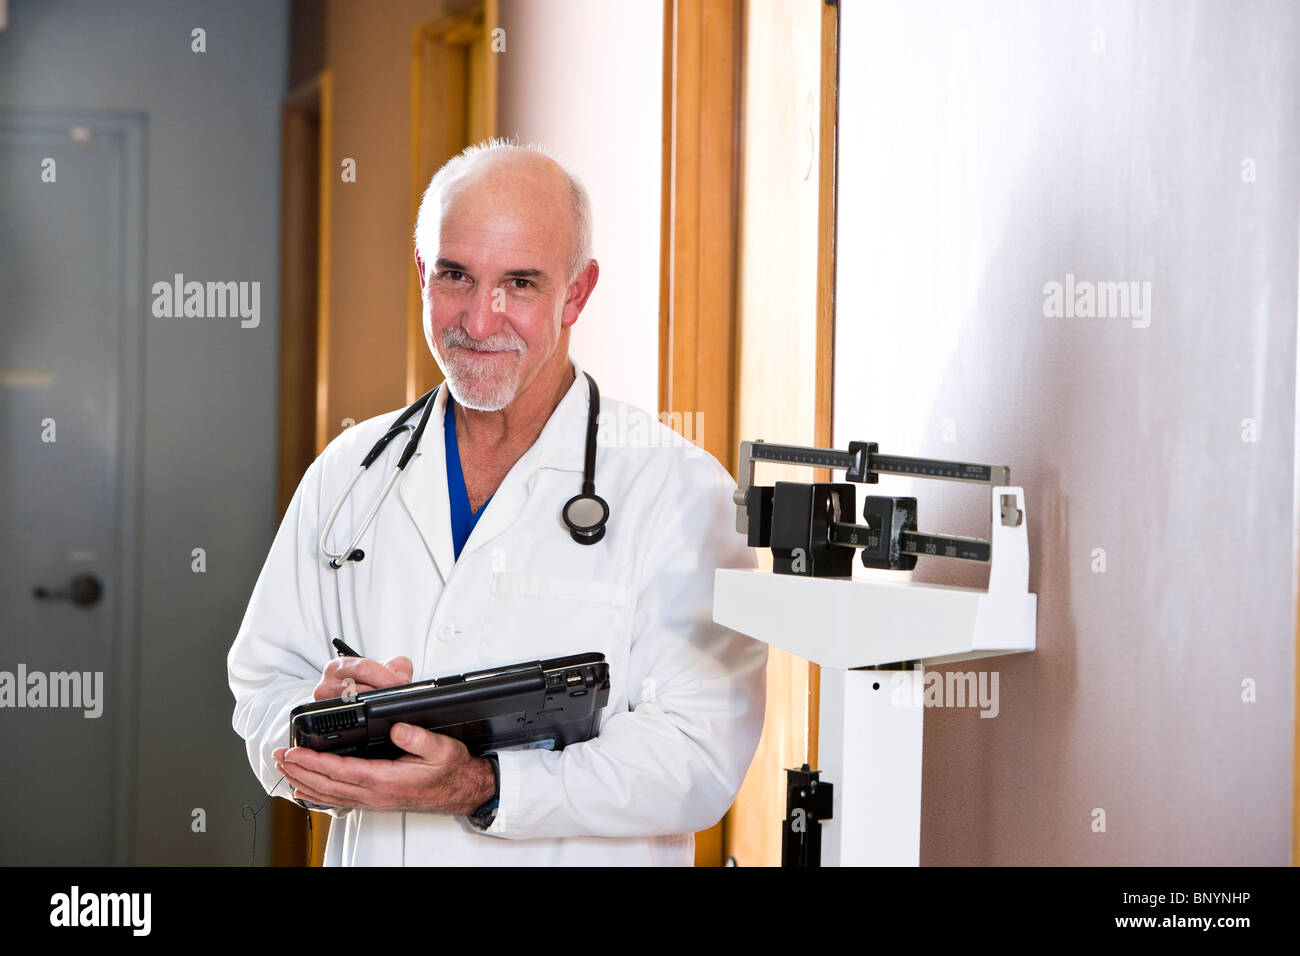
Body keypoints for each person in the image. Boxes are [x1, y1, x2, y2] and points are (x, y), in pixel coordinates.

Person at [227, 139, 767, 866]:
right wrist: (321, 727)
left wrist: (482, 785)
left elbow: (698, 756)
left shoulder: (678, 491)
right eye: (456, 275)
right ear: (422, 272)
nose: (481, 321)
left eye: (521, 283)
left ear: (577, 292)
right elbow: (264, 688)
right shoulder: (349, 472)